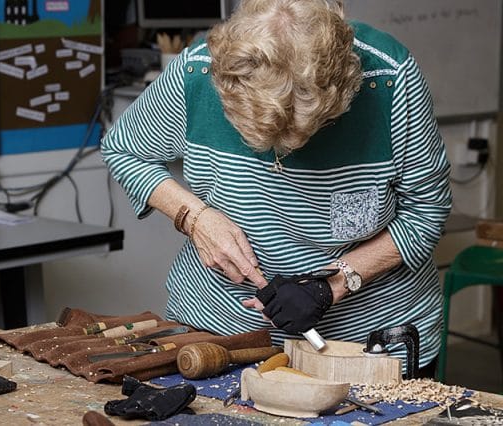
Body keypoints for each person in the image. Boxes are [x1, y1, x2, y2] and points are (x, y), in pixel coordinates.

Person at [101, 0, 451, 376]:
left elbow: (426, 210)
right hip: (219, 336)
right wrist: (196, 218)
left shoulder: (388, 78)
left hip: (367, 343)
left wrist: (334, 284)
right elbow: (124, 148)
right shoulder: (199, 70)